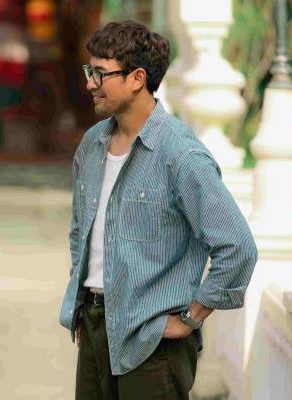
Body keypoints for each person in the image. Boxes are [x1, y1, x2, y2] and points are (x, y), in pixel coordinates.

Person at [58, 20, 257, 400]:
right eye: (89, 71)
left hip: (154, 340)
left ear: (137, 78)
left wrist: (191, 317)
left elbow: (237, 246)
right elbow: (80, 231)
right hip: (95, 326)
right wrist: (81, 303)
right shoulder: (92, 144)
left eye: (100, 73)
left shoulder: (181, 154)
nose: (90, 84)